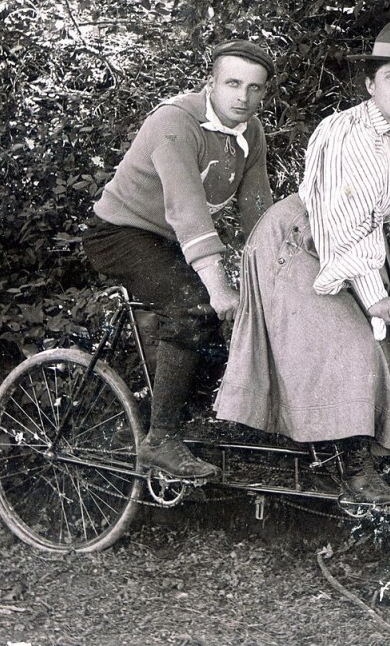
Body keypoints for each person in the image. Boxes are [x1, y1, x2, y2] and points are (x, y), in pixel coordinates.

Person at [214, 21, 390, 505]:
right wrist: (374, 297)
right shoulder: (344, 133)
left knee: (387, 343)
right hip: (299, 243)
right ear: (370, 84)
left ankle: (349, 454)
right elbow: (343, 221)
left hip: (358, 246)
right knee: (354, 344)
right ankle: (353, 472)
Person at [82, 40, 275, 479]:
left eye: (254, 88)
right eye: (233, 84)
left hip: (172, 241)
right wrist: (220, 288)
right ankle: (160, 439)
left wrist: (275, 275)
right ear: (211, 83)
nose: (243, 97)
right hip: (120, 232)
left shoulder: (252, 134)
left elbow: (258, 213)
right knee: (196, 305)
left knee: (231, 316)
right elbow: (187, 210)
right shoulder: (175, 121)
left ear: (264, 93)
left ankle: (186, 415)